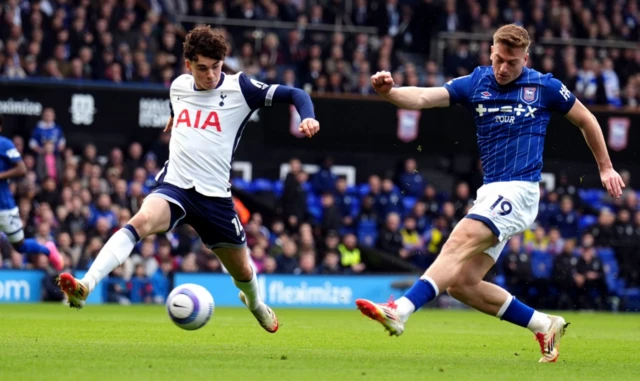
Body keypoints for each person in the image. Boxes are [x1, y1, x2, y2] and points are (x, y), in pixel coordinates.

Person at [355, 24, 625, 362]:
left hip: (520, 188)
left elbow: (586, 120)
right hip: (491, 192)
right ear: (491, 52)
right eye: (498, 59)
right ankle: (543, 324)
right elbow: (425, 97)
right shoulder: (477, 82)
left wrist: (605, 166)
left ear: (525, 58)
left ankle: (401, 310)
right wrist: (390, 93)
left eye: (511, 62)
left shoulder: (545, 87)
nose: (502, 68)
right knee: (462, 284)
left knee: (459, 239)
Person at [56, 26, 320, 333]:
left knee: (243, 271)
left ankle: (256, 304)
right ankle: (86, 285)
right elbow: (176, 103)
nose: (210, 75)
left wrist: (308, 115)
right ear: (188, 66)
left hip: (215, 198)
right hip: (176, 187)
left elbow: (296, 93)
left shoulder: (242, 89)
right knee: (140, 221)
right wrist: (173, 116)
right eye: (202, 68)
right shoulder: (179, 86)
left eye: (216, 67)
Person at [0, 115, 63, 271]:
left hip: (4, 207)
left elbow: (22, 169)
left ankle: (47, 249)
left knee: (20, 246)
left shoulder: (4, 144)